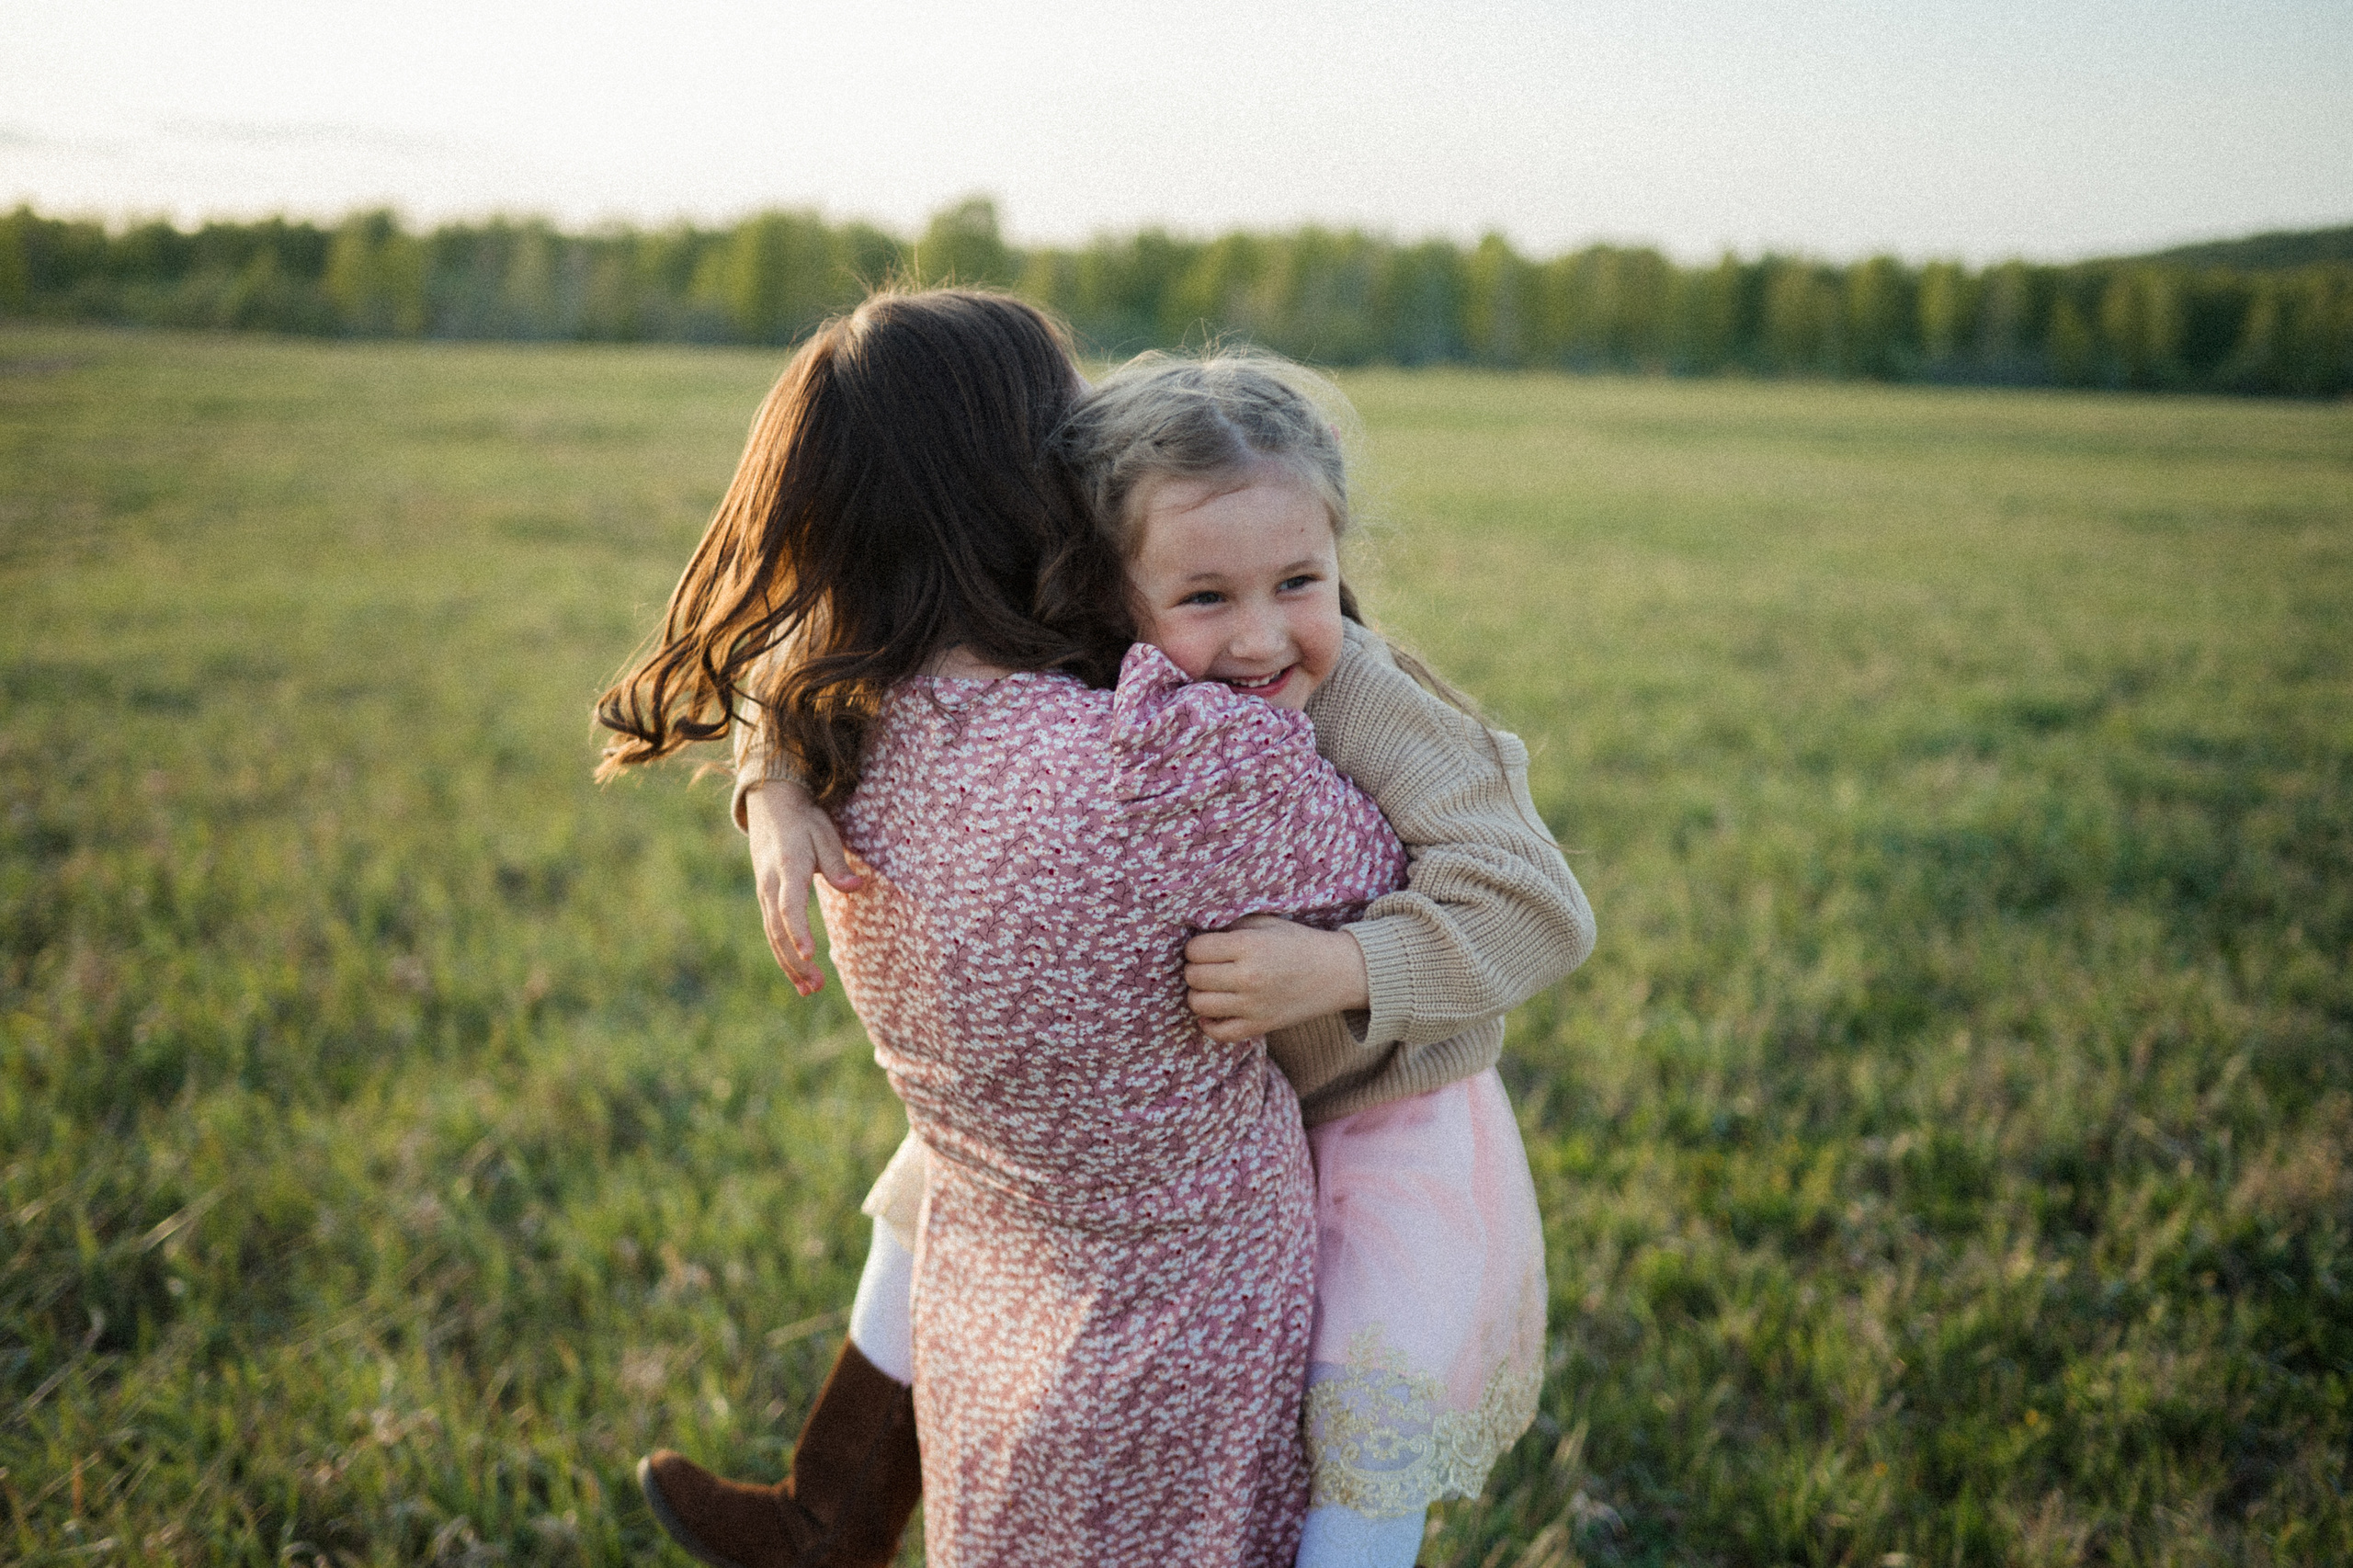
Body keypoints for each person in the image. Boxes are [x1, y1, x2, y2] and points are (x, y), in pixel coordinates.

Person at [699, 349, 1597, 1568]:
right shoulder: (1112, 669)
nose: (1262, 633)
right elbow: (824, 635)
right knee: (934, 1191)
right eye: (1207, 597)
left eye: (1301, 581)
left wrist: (1341, 970)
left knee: (1355, 1446)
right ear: (1112, 587)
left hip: (1389, 1106)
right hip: (1222, 1098)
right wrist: (776, 783)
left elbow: (1541, 904)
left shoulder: (1364, 697)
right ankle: (831, 1507)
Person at [601, 290, 1409, 1568]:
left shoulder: (847, 738)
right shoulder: (1164, 761)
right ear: (1039, 475)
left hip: (990, 1300)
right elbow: (1391, 864)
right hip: (1197, 1320)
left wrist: (769, 780)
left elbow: (794, 663)